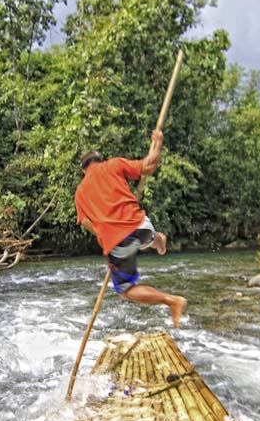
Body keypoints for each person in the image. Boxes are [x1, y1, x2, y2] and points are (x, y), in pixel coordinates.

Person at [74, 128, 188, 329]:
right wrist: (158, 142)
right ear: (101, 160)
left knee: (126, 290)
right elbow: (149, 165)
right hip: (141, 226)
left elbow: (85, 222)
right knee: (144, 236)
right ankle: (158, 240)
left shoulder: (80, 192)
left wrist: (103, 235)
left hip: (119, 242)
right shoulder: (114, 164)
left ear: (84, 169)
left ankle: (172, 300)